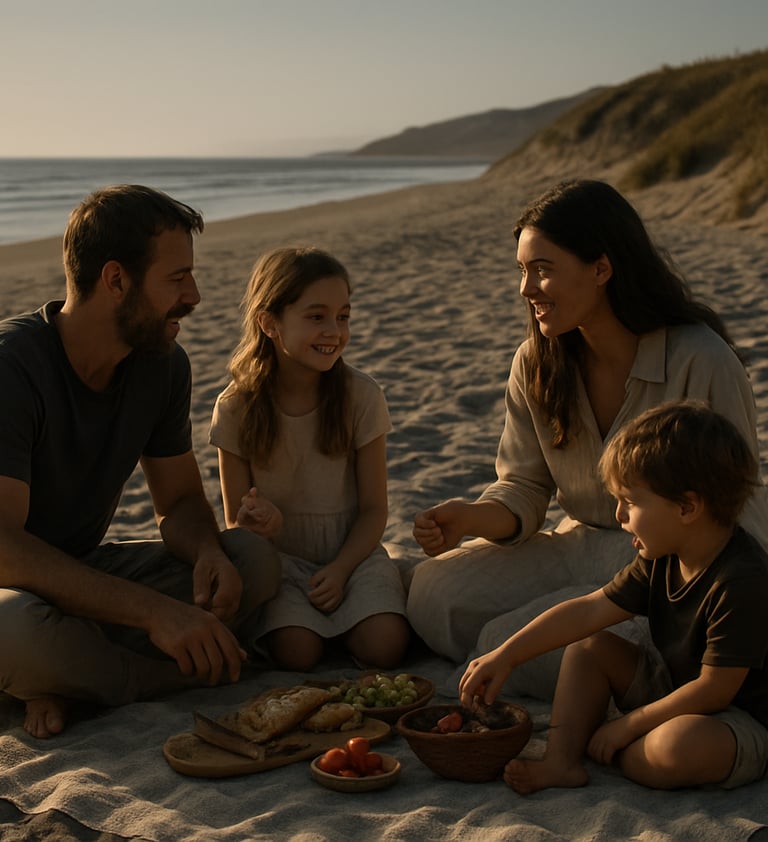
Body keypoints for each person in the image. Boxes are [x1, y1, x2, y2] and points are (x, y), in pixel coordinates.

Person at [408, 179, 768, 700]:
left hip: (670, 563)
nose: (526, 289)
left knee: (503, 639)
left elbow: (734, 506)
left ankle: (629, 669)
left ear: (601, 269)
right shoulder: (536, 362)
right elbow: (525, 486)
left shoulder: (701, 359)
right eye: (522, 271)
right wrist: (471, 517)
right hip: (577, 543)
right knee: (432, 593)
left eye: (542, 270)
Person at [0, 185, 281, 739]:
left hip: (83, 576)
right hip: (10, 589)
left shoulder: (162, 365)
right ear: (116, 280)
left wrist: (205, 553)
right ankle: (150, 677)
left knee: (252, 558)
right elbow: (4, 549)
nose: (195, 296)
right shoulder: (12, 368)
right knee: (14, 628)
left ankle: (69, 679)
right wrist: (156, 614)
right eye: (177, 279)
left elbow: (177, 501)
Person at [459, 401, 768, 793]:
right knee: (588, 647)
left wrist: (629, 725)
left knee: (676, 748)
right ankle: (562, 762)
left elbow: (715, 689)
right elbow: (588, 612)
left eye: (631, 501)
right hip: (673, 689)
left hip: (738, 719)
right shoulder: (663, 554)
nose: (619, 515)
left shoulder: (742, 578)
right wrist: (508, 653)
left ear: (687, 507)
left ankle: (617, 747)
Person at [209, 246, 410, 671]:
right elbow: (235, 523)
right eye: (316, 316)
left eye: (343, 316)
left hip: (353, 554)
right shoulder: (236, 407)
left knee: (385, 647)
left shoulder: (361, 395)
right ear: (269, 323)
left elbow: (375, 509)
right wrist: (262, 522)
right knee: (296, 652)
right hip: (281, 562)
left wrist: (340, 570)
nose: (334, 331)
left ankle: (358, 618)